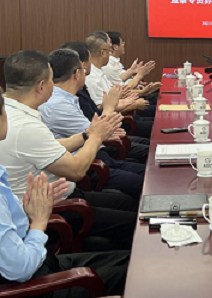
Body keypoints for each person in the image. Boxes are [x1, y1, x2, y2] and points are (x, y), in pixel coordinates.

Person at [0, 50, 137, 250]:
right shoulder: (26, 126)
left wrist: (86, 135)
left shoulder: (10, 111)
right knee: (133, 224)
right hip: (50, 211)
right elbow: (76, 170)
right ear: (41, 86)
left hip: (55, 198)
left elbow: (50, 147)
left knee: (126, 203)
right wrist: (96, 137)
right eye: (51, 80)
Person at [0, 159, 129, 298]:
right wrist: (39, 222)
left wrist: (34, 209)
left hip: (36, 260)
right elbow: (20, 269)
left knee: (129, 259)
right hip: (29, 292)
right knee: (133, 274)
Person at [39, 49, 145, 199]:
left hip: (95, 156)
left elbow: (95, 132)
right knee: (144, 183)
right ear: (77, 74)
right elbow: (98, 132)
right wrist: (110, 107)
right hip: (88, 166)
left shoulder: (67, 97)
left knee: (148, 172)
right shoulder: (58, 104)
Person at [62, 41, 153, 147]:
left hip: (111, 125)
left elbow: (101, 107)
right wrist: (114, 106)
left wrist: (117, 102)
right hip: (103, 139)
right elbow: (94, 129)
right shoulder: (89, 81)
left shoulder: (87, 83)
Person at [85, 31, 156, 118]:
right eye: (109, 51)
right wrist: (134, 104)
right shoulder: (92, 77)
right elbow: (101, 111)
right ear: (103, 53)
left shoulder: (99, 71)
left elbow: (117, 95)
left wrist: (140, 93)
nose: (111, 55)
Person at [103, 31, 161, 99]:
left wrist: (132, 71)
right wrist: (140, 75)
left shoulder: (114, 61)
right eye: (122, 43)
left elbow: (121, 78)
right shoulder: (107, 65)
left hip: (131, 93)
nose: (124, 45)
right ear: (115, 47)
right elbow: (123, 90)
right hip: (126, 99)